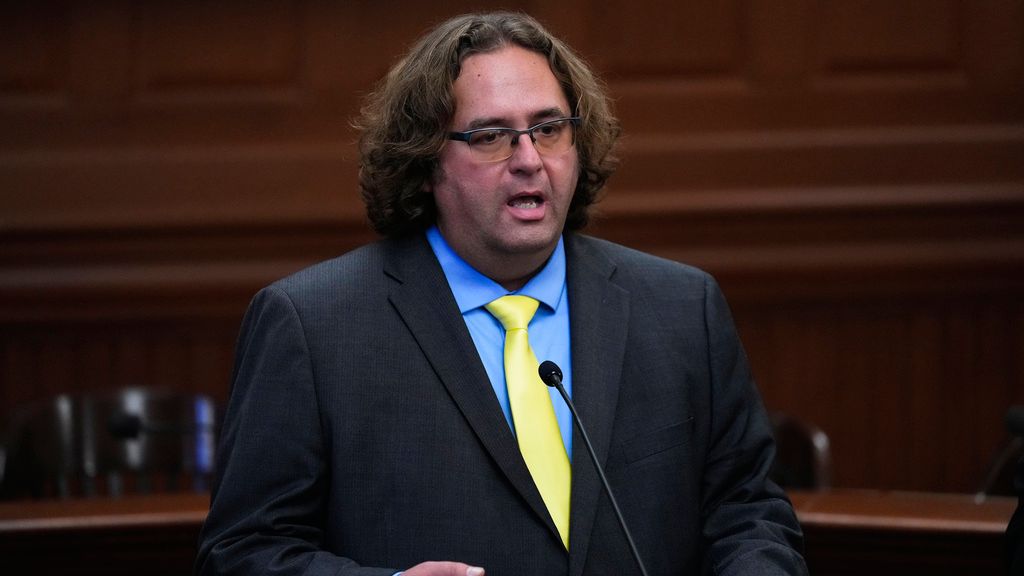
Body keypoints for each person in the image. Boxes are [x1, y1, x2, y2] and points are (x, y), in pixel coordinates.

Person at [196, 11, 807, 576]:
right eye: (490, 135)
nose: (528, 159)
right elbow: (243, 552)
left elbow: (748, 513)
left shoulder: (680, 308)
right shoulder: (313, 324)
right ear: (427, 159)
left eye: (548, 129)